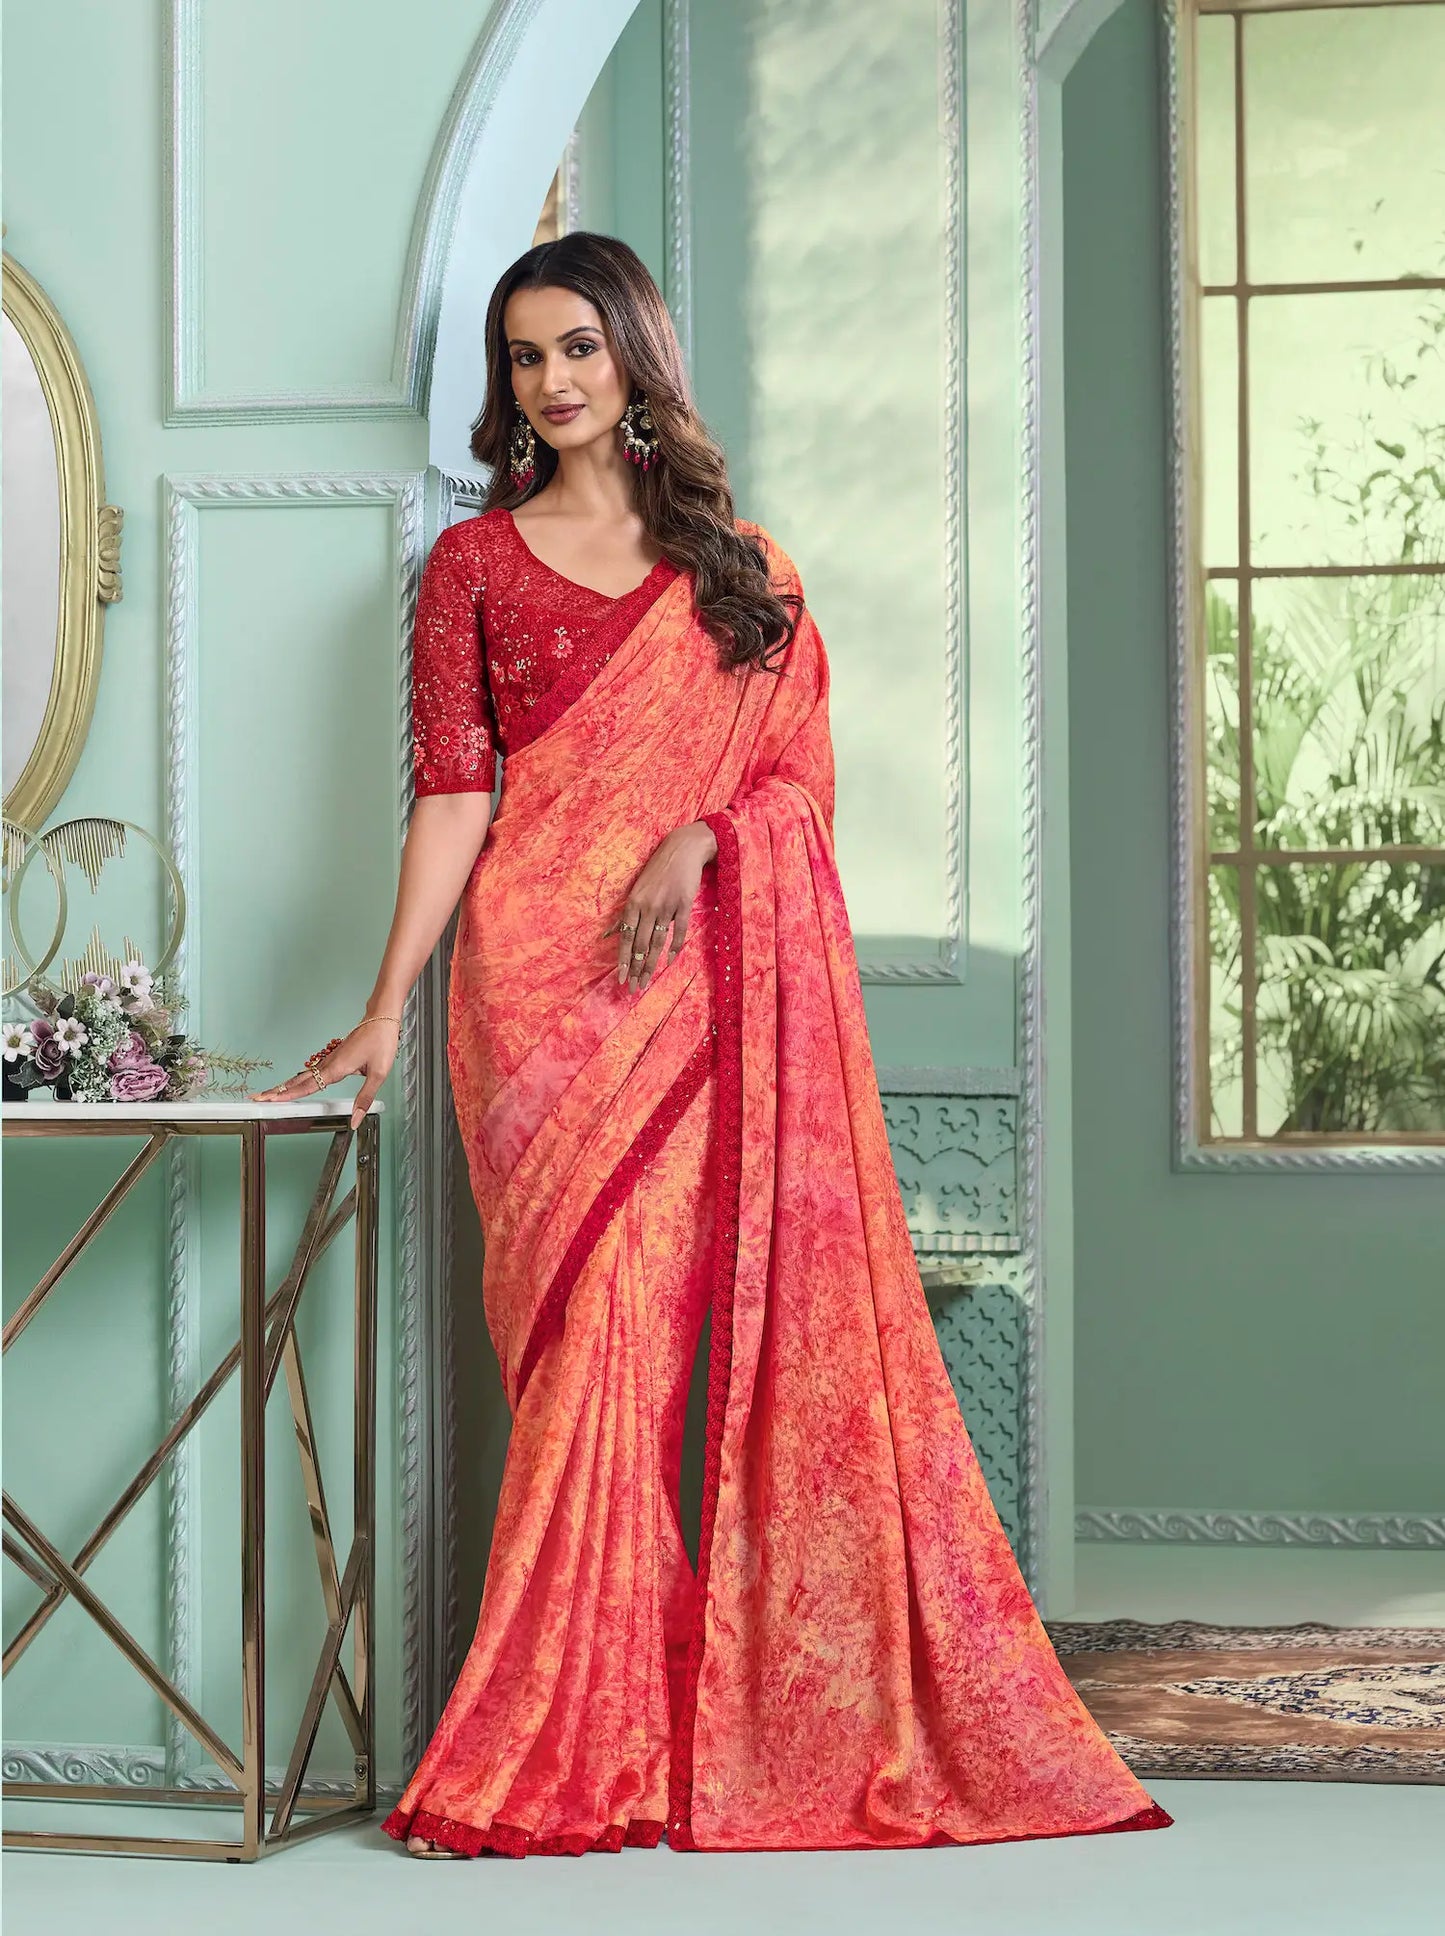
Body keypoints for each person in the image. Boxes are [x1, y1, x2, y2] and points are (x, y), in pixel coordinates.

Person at [251, 232, 1173, 1860]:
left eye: (576, 347)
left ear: (634, 355)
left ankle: (598, 1738)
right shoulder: (472, 565)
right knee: (579, 1353)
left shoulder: (745, 573)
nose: (550, 380)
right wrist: (388, 1002)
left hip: (689, 986)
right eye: (524, 356)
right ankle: (584, 1739)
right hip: (530, 993)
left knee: (638, 1348)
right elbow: (455, 799)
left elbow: (801, 787)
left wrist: (707, 836)